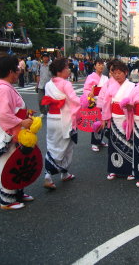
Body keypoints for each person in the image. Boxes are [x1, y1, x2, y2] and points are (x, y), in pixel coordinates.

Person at [0, 56, 34, 210]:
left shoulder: (4, 86)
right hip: (7, 134)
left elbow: (11, 110)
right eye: (17, 69)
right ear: (11, 71)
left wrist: (25, 115)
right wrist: (21, 122)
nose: (20, 72)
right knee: (8, 165)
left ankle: (17, 192)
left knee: (17, 163)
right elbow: (4, 115)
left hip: (12, 131)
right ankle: (7, 199)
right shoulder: (5, 89)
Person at [41, 58, 80, 190]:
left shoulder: (48, 84)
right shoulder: (65, 84)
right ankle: (48, 175)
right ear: (59, 71)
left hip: (52, 118)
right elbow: (74, 101)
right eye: (67, 68)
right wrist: (87, 101)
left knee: (53, 145)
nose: (69, 70)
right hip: (64, 120)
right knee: (64, 147)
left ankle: (64, 173)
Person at [98, 61, 136, 180]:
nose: (117, 75)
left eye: (119, 73)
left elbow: (134, 103)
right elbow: (106, 103)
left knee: (128, 143)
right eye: (114, 73)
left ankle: (129, 170)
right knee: (113, 145)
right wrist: (104, 118)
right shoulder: (111, 86)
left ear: (125, 73)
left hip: (126, 118)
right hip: (114, 118)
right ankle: (113, 170)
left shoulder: (132, 86)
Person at [82, 58, 109, 151]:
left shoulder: (105, 78)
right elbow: (86, 89)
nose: (101, 66)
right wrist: (90, 93)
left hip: (103, 102)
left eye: (102, 64)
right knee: (95, 122)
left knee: (103, 122)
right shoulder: (90, 77)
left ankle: (100, 140)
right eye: (99, 64)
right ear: (95, 66)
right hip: (94, 101)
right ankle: (94, 142)